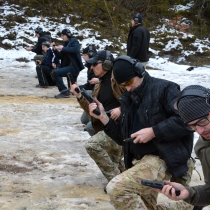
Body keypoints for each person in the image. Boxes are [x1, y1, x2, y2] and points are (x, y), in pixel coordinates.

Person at [88, 55, 195, 210]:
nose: (128, 88)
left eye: (130, 82)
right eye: (124, 86)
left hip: (162, 159)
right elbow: (123, 139)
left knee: (117, 188)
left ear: (140, 72)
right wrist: (104, 118)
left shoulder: (165, 88)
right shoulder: (127, 100)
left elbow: (186, 120)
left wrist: (154, 131)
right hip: (138, 161)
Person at [70, 50, 125, 184]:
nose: (91, 67)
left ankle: (117, 182)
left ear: (106, 64)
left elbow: (137, 99)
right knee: (113, 160)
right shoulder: (99, 84)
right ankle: (125, 176)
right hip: (107, 127)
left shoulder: (119, 79)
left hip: (123, 128)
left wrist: (121, 109)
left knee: (93, 145)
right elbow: (92, 112)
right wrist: (79, 96)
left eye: (95, 64)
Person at [156, 85, 210, 209]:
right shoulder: (204, 147)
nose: (200, 131)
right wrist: (188, 193)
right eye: (193, 127)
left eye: (202, 122)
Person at [52, 29, 84, 99]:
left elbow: (76, 49)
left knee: (55, 73)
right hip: (69, 67)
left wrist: (63, 48)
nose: (62, 37)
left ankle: (64, 91)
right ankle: (70, 91)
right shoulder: (65, 44)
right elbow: (60, 56)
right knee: (72, 88)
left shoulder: (74, 41)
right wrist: (55, 50)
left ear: (66, 35)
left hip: (74, 67)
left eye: (63, 35)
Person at [79, 45, 98, 136]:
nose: (83, 56)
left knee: (88, 94)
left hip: (99, 96)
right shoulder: (89, 66)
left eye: (85, 55)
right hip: (94, 93)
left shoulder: (97, 66)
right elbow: (89, 84)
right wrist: (79, 88)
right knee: (83, 120)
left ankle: (94, 120)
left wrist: (99, 80)